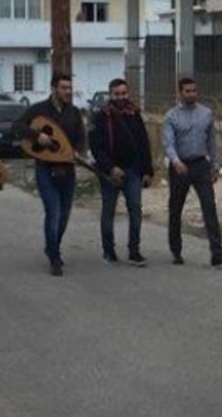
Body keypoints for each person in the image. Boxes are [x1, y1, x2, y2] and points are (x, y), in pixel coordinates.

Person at [19, 71, 86, 276]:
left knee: (64, 215)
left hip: (67, 168)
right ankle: (54, 257)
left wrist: (76, 151)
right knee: (54, 211)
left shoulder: (73, 112)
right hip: (45, 168)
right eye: (64, 88)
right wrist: (36, 135)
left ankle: (52, 245)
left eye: (69, 88)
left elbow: (81, 138)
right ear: (54, 88)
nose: (68, 91)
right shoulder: (39, 110)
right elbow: (18, 126)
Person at [162, 76, 222, 267]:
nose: (191, 94)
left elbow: (211, 142)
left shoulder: (206, 114)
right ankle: (176, 251)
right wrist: (176, 161)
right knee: (175, 209)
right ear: (180, 92)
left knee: (209, 207)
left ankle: (217, 253)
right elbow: (168, 143)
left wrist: (215, 166)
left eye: (194, 91)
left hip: (201, 165)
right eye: (187, 91)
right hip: (181, 166)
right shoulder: (171, 116)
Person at [88, 77, 153, 265]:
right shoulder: (101, 116)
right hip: (109, 173)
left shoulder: (134, 114)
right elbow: (96, 147)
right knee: (108, 211)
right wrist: (110, 168)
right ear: (110, 95)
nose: (121, 97)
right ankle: (108, 251)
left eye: (124, 93)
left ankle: (134, 251)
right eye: (117, 94)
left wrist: (147, 170)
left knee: (135, 209)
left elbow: (143, 144)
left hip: (133, 170)